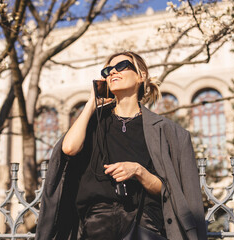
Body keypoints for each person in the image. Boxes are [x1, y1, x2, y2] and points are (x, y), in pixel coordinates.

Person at [36, 51, 207, 240]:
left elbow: (170, 190)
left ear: (141, 76)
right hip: (96, 224)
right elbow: (69, 149)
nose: (112, 73)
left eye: (121, 66)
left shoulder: (166, 131)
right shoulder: (92, 122)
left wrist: (138, 171)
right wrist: (92, 103)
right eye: (107, 70)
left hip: (144, 222)